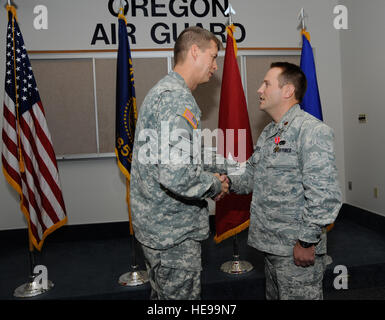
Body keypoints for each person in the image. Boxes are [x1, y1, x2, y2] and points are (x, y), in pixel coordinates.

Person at [226, 62, 342, 300]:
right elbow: (250, 178)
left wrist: (306, 241)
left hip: (296, 250)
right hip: (272, 248)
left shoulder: (311, 131)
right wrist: (217, 179)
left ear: (288, 91)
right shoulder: (270, 133)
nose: (259, 90)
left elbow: (325, 195)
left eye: (266, 84)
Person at [130, 26, 228, 300]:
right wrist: (213, 184)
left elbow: (180, 157)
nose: (215, 66)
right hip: (173, 235)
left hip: (159, 230)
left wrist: (219, 167)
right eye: (213, 56)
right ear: (195, 52)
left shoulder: (164, 91)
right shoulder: (176, 99)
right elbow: (175, 174)